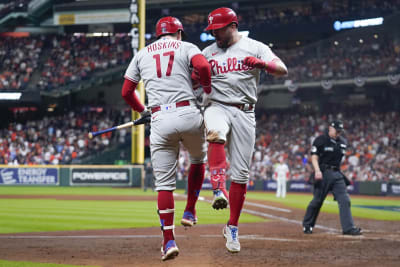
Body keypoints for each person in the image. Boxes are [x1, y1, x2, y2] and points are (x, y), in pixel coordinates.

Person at [121, 16, 212, 261]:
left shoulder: (142, 53)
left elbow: (126, 92)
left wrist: (143, 111)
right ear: (179, 33)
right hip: (189, 112)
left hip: (160, 118)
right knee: (197, 159)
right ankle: (190, 210)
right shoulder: (187, 47)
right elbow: (203, 68)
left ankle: (169, 240)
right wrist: (206, 91)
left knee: (164, 185)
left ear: (158, 35)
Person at [199, 7, 288, 253]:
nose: (214, 34)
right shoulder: (207, 52)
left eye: (218, 30)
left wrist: (262, 64)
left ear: (232, 26)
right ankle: (218, 187)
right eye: (212, 30)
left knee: (241, 175)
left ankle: (232, 226)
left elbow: (283, 69)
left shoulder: (255, 47)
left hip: (245, 111)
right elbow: (192, 80)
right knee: (215, 131)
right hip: (216, 105)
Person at [302, 120, 362, 235]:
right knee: (317, 201)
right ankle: (307, 225)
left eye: (340, 131)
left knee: (345, 200)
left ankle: (348, 228)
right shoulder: (320, 140)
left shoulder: (343, 142)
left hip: (337, 174)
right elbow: (314, 157)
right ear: (330, 128)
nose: (339, 133)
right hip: (323, 172)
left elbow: (338, 161)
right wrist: (317, 170)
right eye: (337, 131)